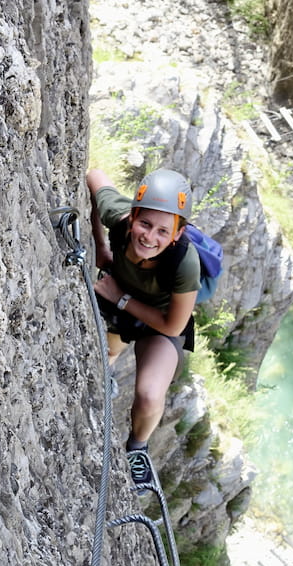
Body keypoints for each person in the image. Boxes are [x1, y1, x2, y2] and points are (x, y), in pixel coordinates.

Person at [86, 167, 201, 487]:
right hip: (118, 298)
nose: (150, 237)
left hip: (159, 323)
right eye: (145, 223)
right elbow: (94, 176)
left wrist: (120, 297)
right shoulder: (119, 219)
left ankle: (138, 447)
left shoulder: (184, 262)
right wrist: (100, 245)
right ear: (132, 215)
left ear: (177, 234)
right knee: (107, 349)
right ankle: (109, 364)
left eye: (164, 231)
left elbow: (174, 324)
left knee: (150, 396)